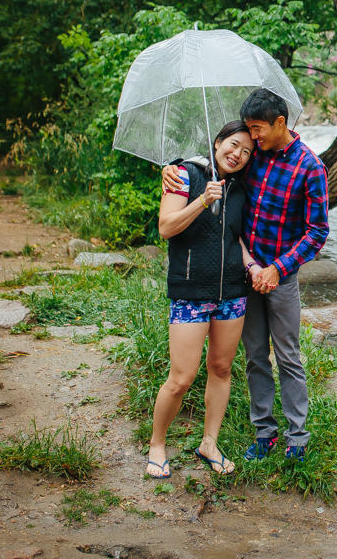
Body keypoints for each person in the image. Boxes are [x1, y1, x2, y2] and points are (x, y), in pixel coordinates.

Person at [162, 88, 329, 462]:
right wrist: (172, 168)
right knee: (255, 356)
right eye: (249, 131)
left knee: (287, 356)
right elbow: (217, 162)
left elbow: (317, 232)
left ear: (280, 123)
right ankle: (265, 431)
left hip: (279, 277)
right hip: (245, 275)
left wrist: (277, 269)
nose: (252, 138)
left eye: (258, 129)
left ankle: (297, 436)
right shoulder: (255, 159)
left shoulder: (310, 167)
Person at [146, 120, 257, 479]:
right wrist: (202, 200)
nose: (237, 154)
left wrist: (252, 265)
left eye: (246, 151)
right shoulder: (184, 174)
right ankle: (157, 445)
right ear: (218, 141)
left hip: (232, 295)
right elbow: (166, 227)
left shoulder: (241, 188)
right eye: (233, 144)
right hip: (190, 293)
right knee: (181, 378)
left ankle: (209, 442)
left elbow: (235, 236)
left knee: (221, 369)